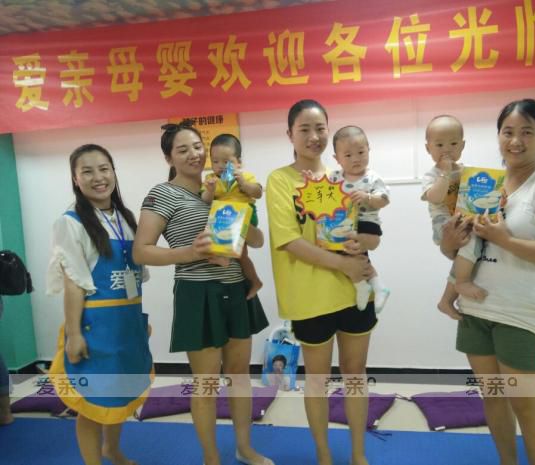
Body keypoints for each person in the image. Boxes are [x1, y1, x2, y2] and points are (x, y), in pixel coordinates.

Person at [132, 120, 272, 465]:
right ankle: (211, 457)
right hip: (197, 293)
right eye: (182, 149)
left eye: (197, 147)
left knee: (240, 376)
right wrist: (190, 253)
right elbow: (141, 251)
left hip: (236, 288)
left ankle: (244, 447)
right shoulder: (163, 194)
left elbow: (256, 240)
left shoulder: (223, 185)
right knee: (206, 383)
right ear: (169, 158)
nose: (193, 154)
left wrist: (246, 220)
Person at [451, 99, 535, 465]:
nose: (515, 141)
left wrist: (505, 239)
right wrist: (451, 238)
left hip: (522, 314)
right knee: (493, 398)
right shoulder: (485, 184)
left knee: (525, 405)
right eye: (508, 132)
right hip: (477, 309)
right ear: (498, 136)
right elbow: (463, 250)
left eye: (527, 132)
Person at [266, 99, 377, 465]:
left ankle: (358, 454)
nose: (314, 136)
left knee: (355, 374)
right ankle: (324, 456)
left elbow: (363, 231)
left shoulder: (342, 177)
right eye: (305, 129)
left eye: (320, 128)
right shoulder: (280, 180)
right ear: (290, 134)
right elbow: (289, 241)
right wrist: (342, 265)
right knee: (317, 379)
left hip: (354, 291)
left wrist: (363, 252)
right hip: (309, 297)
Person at [47, 144, 153, 465]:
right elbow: (74, 282)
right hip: (95, 328)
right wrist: (75, 334)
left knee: (119, 395)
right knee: (93, 403)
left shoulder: (125, 217)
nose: (98, 177)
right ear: (75, 179)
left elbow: (134, 276)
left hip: (127, 326)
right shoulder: (70, 222)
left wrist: (139, 322)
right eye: (87, 171)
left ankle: (112, 450)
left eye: (104, 169)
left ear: (113, 173)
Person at [421, 115, 486, 321]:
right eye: (439, 145)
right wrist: (445, 174)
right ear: (428, 148)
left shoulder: (468, 171)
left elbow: (477, 197)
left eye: (453, 144)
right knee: (470, 242)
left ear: (462, 146)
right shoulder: (431, 175)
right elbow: (435, 197)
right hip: (444, 224)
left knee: (469, 252)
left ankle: (446, 300)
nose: (446, 149)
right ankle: (462, 282)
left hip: (464, 219)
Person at [327, 125, 390, 312]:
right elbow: (321, 193)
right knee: (350, 255)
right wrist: (309, 180)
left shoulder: (372, 178)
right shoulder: (334, 177)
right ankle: (375, 286)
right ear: (337, 159)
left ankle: (364, 286)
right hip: (344, 223)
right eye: (348, 155)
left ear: (369, 149)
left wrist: (368, 197)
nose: (355, 159)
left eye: (361, 152)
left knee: (355, 253)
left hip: (367, 223)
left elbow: (384, 200)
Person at [201, 133, 263, 299]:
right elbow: (205, 200)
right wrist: (210, 190)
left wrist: (244, 184)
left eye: (226, 162)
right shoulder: (210, 179)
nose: (220, 166)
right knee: (240, 254)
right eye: (215, 161)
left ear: (238, 162)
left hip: (245, 214)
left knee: (240, 252)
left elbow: (258, 193)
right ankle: (254, 280)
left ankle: (228, 261)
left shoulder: (245, 176)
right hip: (223, 217)